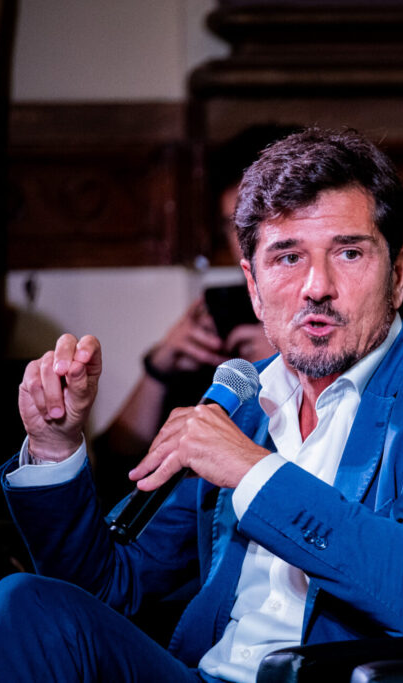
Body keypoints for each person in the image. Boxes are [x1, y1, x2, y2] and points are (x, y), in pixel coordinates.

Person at [0, 128, 403, 682]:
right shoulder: (245, 396)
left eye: (349, 253)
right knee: (29, 604)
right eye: (287, 257)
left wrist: (251, 469)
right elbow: (109, 588)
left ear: (397, 275)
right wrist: (54, 448)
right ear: (253, 285)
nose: (316, 286)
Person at [91, 128, 287, 510]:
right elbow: (118, 468)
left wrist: (285, 362)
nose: (244, 240)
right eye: (232, 224)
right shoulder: (226, 309)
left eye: (256, 220)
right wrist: (158, 370)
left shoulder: (347, 308)